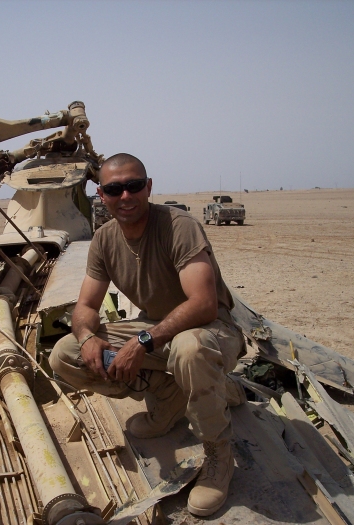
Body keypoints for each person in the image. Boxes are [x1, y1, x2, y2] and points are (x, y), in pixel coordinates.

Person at [49, 153, 245, 517]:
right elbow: (85, 307)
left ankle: (219, 454)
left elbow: (203, 304)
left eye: (134, 186)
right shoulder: (105, 239)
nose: (125, 196)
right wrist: (89, 337)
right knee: (65, 353)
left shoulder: (178, 226)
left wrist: (142, 342)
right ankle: (169, 395)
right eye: (114, 189)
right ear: (101, 194)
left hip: (210, 330)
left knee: (189, 350)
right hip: (154, 328)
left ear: (149, 187)